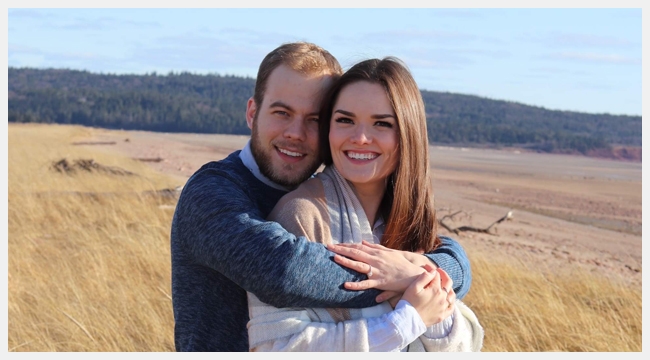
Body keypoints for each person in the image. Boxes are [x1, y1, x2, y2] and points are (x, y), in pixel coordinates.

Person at [170, 42, 472, 352]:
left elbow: (452, 261)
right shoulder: (213, 193)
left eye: (314, 119)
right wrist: (410, 281)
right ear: (252, 113)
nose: (296, 133)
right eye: (282, 112)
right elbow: (285, 272)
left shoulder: (351, 198)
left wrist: (436, 270)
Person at [246, 57, 483, 352]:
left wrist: (413, 280)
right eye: (345, 120)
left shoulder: (409, 220)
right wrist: (408, 318)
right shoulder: (302, 214)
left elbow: (465, 344)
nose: (359, 138)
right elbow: (276, 347)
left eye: (382, 123)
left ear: (408, 134)